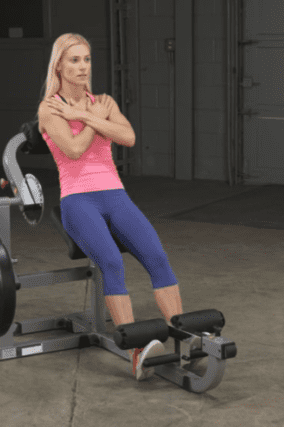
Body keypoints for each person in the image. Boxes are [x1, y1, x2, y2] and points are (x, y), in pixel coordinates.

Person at [36, 33, 184, 380]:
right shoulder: (50, 107)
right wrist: (89, 118)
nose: (83, 66)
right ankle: (135, 351)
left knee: (157, 258)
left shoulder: (102, 100)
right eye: (74, 60)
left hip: (116, 196)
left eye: (87, 59)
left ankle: (180, 336)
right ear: (58, 65)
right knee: (112, 263)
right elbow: (72, 151)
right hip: (77, 200)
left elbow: (129, 137)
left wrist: (86, 114)